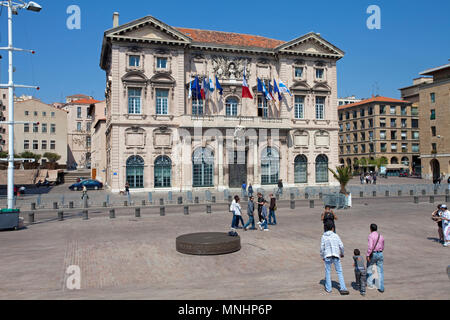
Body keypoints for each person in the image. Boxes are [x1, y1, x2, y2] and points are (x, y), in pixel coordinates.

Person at [320, 220, 349, 295]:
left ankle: (329, 288)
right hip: (336, 255)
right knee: (339, 272)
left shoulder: (323, 236)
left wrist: (322, 256)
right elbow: (341, 245)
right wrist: (342, 253)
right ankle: (343, 288)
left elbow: (322, 248)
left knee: (328, 272)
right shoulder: (336, 235)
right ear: (333, 228)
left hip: (328, 255)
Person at [366, 224, 385, 292]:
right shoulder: (381, 236)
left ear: (370, 229)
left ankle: (370, 283)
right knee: (380, 271)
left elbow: (370, 247)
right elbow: (382, 246)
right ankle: (381, 287)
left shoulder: (370, 236)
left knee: (370, 268)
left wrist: (368, 255)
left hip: (373, 254)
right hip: (380, 253)